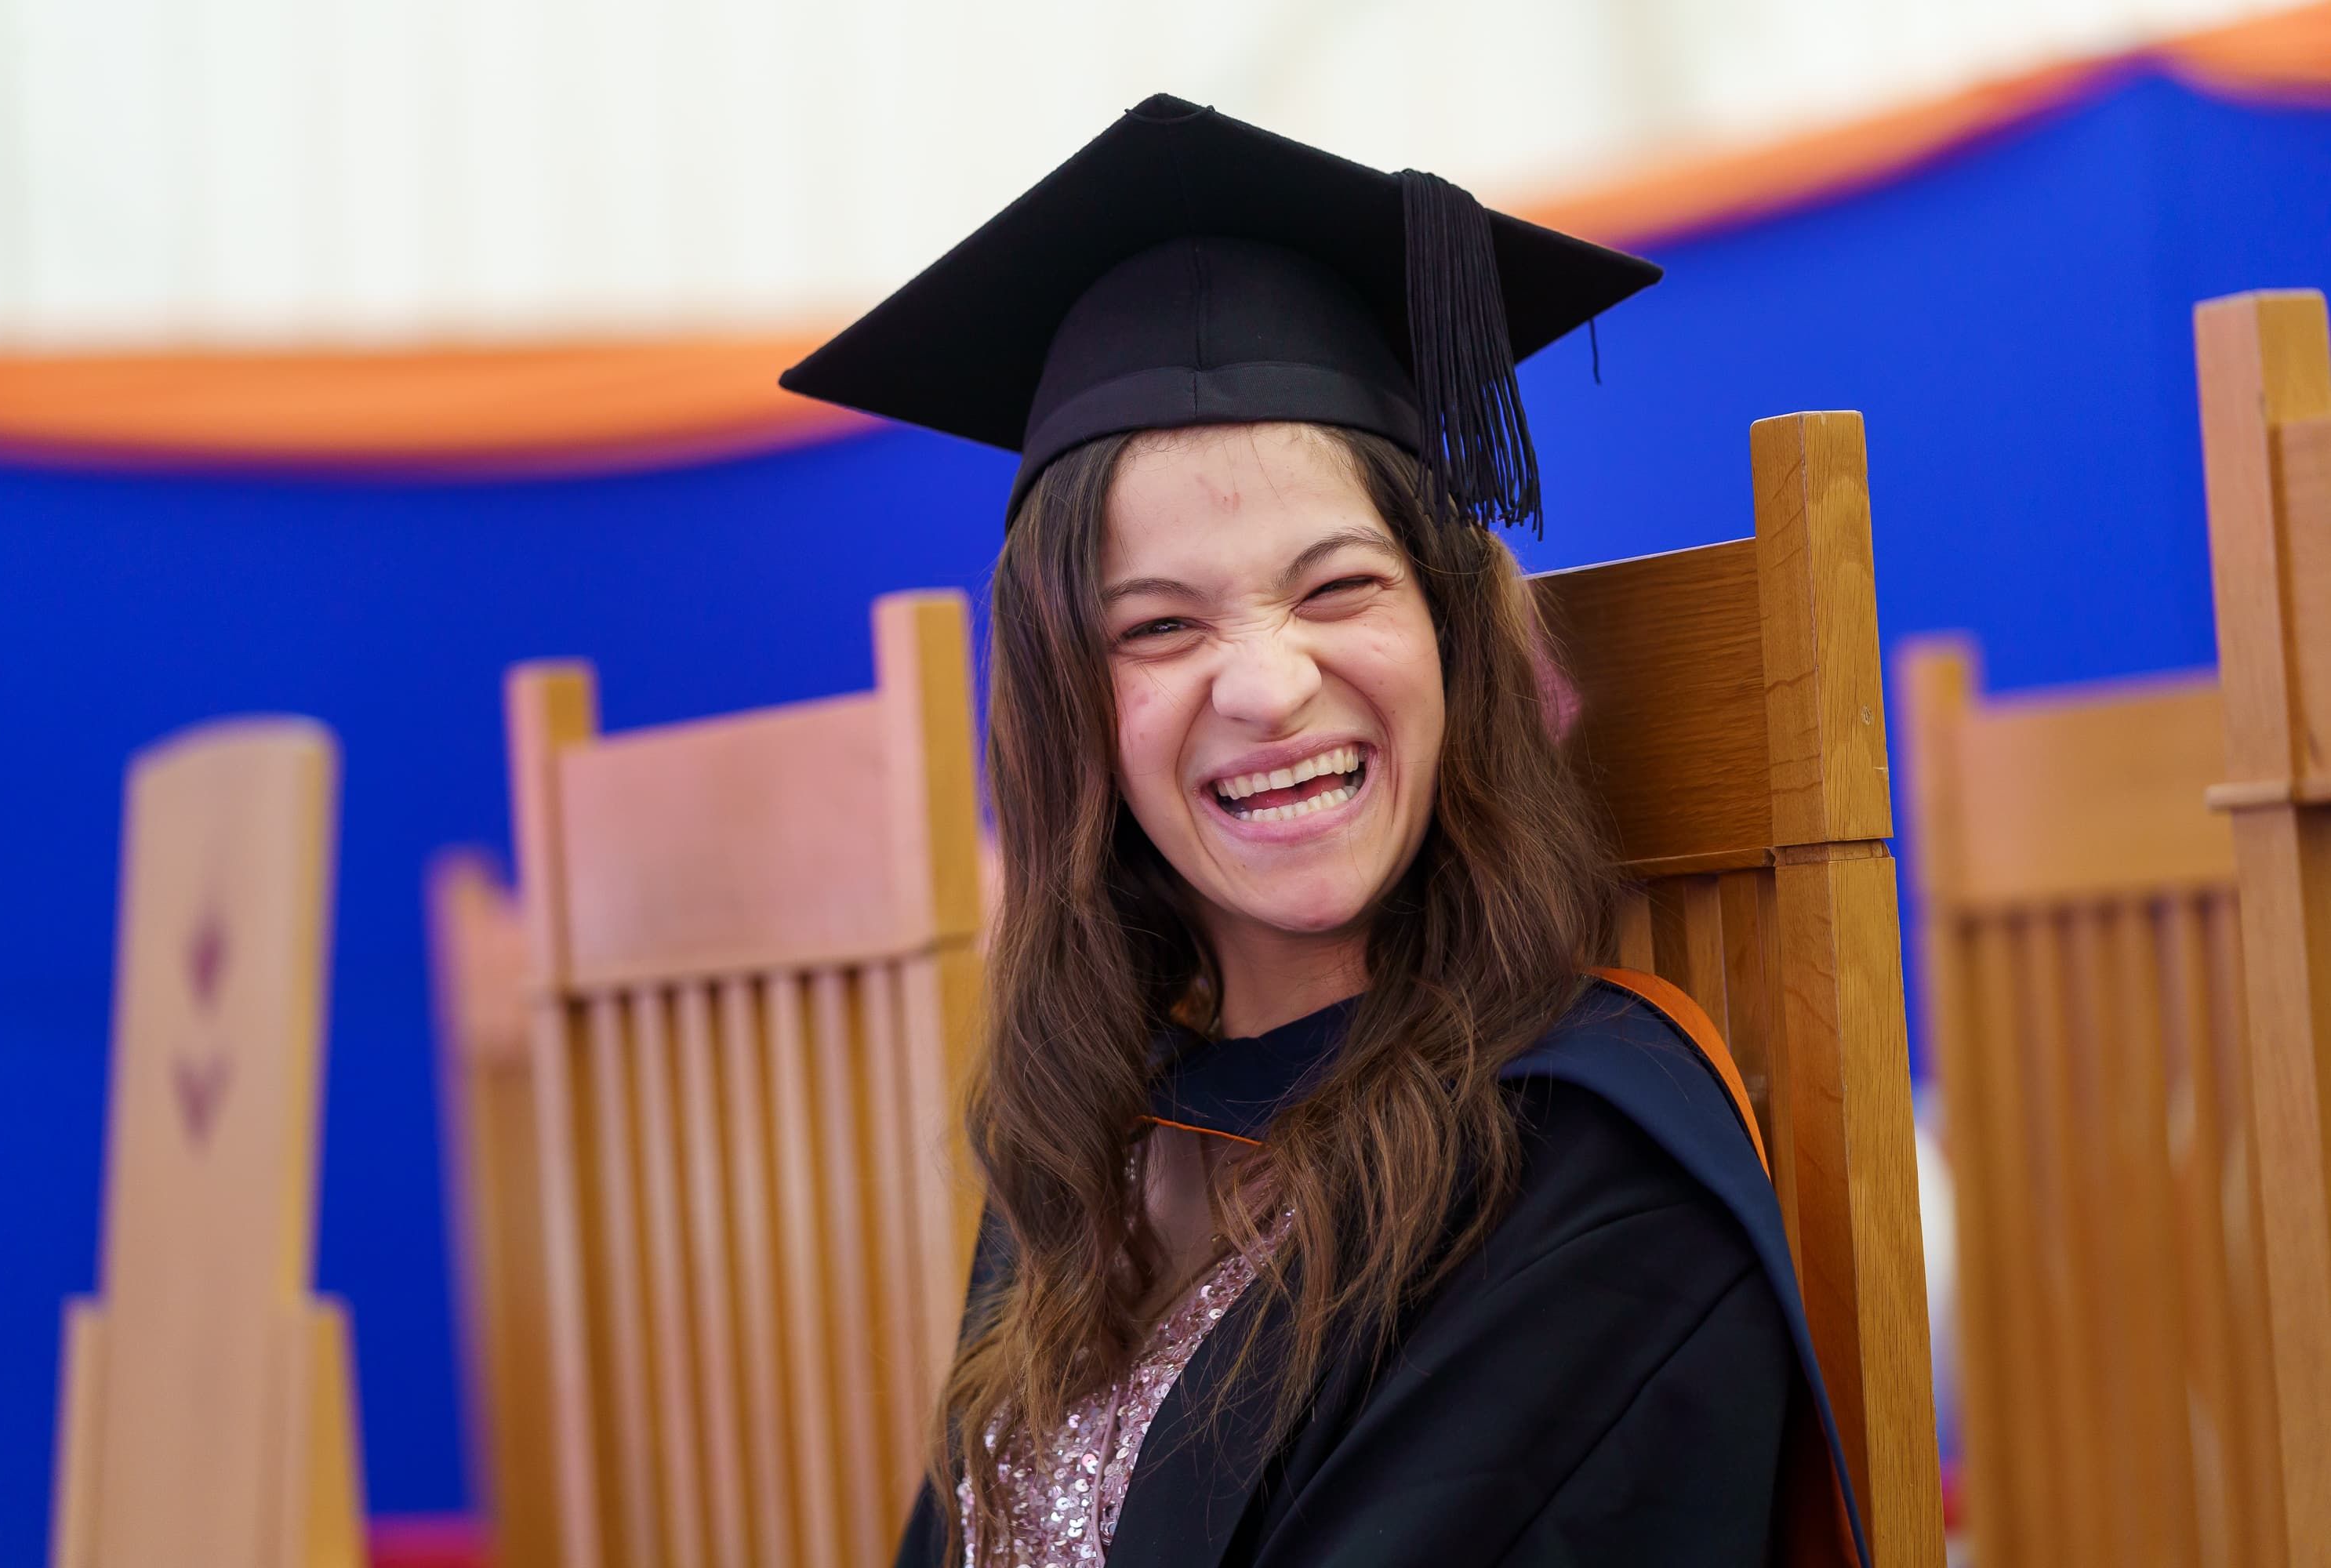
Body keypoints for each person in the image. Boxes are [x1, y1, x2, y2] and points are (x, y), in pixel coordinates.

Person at [782, 94, 1866, 1568]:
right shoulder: (1099, 1145)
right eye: (1158, 626)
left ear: (1451, 638)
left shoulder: (1578, 1184)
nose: (1271, 683)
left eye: (1340, 587)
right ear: (1069, 718)